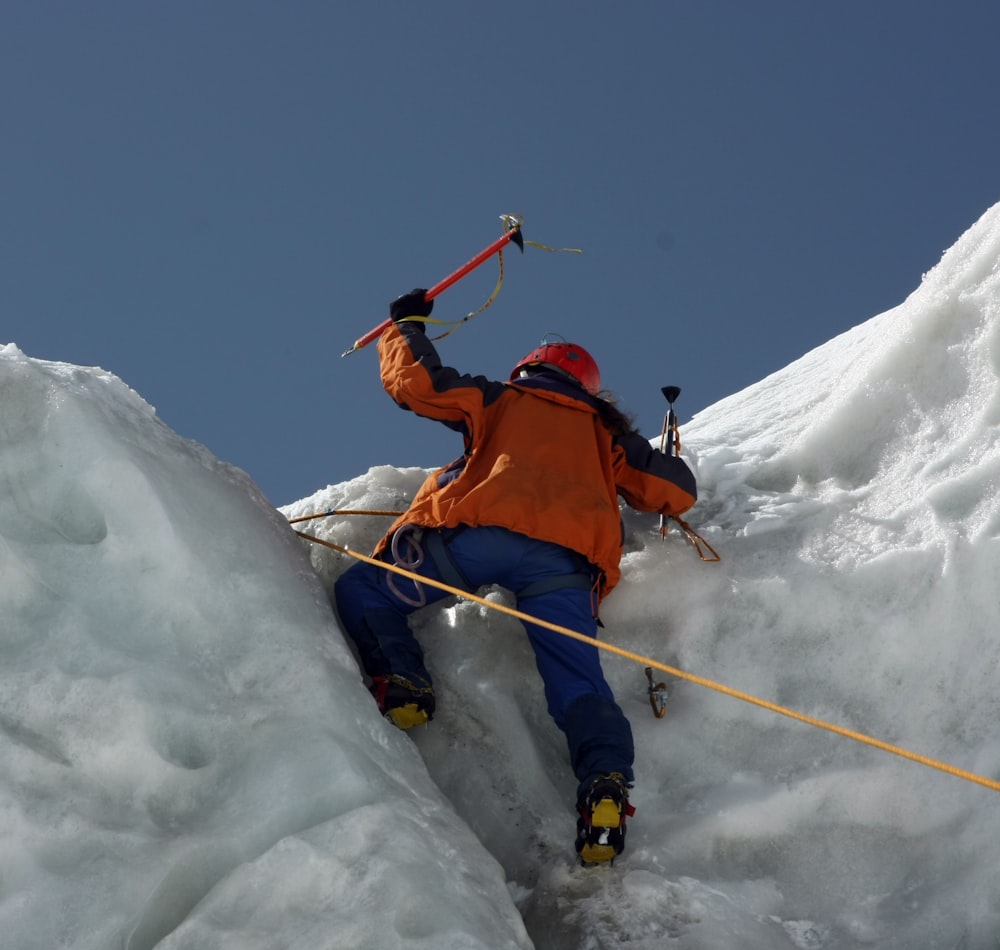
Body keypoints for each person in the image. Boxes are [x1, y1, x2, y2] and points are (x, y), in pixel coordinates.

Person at [334, 289, 697, 864]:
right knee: (579, 684)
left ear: (528, 369)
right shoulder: (607, 437)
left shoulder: (500, 399)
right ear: (589, 389)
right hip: (564, 567)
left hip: (478, 540)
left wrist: (404, 326)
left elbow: (419, 384)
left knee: (364, 590)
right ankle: (604, 782)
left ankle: (403, 681)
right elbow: (675, 494)